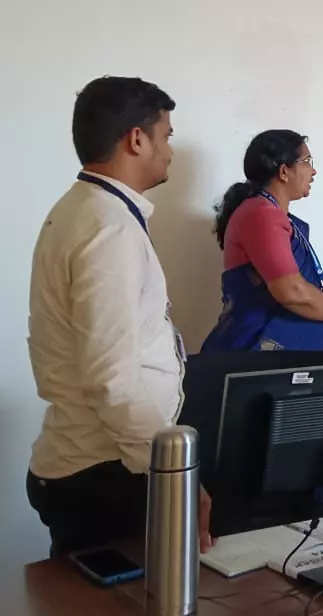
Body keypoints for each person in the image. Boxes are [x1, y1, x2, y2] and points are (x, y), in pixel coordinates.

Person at [26, 76, 212, 555]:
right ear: (136, 139)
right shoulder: (107, 227)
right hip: (105, 473)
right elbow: (111, 378)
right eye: (166, 135)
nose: (170, 150)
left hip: (98, 464)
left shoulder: (86, 209)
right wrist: (173, 473)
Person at [201, 130, 323, 353]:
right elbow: (291, 291)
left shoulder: (274, 215)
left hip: (286, 358)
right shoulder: (261, 214)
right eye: (307, 161)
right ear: (284, 171)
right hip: (256, 356)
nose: (313, 171)